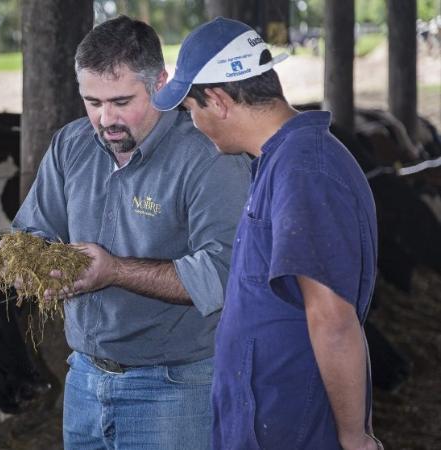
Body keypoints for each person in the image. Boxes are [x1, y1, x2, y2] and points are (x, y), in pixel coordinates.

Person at [10, 16, 251, 450]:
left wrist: (115, 271)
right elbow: (30, 233)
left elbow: (225, 272)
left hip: (175, 385)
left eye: (122, 101)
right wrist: (35, 268)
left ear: (161, 82)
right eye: (92, 101)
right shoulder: (71, 144)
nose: (105, 119)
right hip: (83, 377)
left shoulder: (208, 155)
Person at [152, 17, 382, 450]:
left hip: (295, 423)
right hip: (268, 417)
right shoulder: (279, 161)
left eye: (190, 109)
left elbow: (332, 319)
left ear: (217, 100)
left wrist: (355, 438)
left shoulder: (304, 171)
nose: (194, 123)